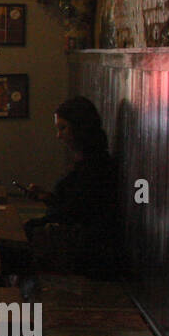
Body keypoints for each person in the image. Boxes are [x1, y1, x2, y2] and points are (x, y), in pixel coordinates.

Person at [22, 96, 120, 274]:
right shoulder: (87, 161)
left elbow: (75, 214)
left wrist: (44, 208)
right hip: (76, 240)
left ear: (80, 128)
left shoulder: (95, 166)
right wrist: (48, 198)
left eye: (63, 128)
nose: (59, 135)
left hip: (85, 251)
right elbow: (73, 207)